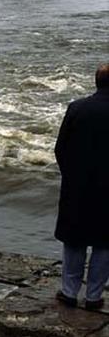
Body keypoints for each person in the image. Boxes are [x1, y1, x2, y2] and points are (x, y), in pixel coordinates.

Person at [54, 64, 109, 310]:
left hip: (77, 187)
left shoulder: (76, 108)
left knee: (75, 240)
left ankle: (68, 292)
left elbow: (60, 149)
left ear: (96, 82)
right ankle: (94, 297)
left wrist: (72, 175)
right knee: (105, 243)